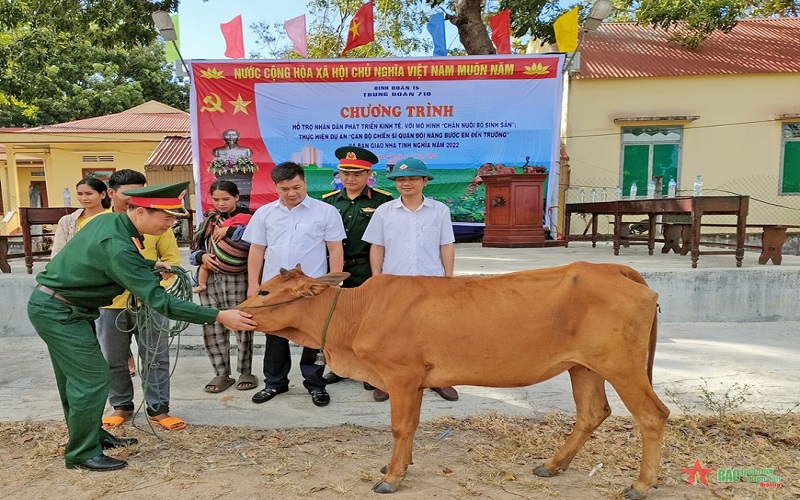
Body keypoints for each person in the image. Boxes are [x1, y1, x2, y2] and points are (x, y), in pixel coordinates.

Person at [28, 181, 255, 472]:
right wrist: (219, 316)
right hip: (59, 311)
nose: (171, 224)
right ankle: (81, 454)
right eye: (166, 217)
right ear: (140, 212)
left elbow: (109, 259)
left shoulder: (112, 222)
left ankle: (90, 436)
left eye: (174, 218)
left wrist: (149, 264)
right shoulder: (118, 245)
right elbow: (162, 302)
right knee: (91, 380)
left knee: (75, 380)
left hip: (65, 307)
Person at [243, 161, 345, 407]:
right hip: (276, 291)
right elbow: (257, 250)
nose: (291, 193)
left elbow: (335, 248)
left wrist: (335, 282)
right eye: (284, 188)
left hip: (312, 289)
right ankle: (275, 383)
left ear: (305, 183)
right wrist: (252, 285)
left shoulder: (325, 211)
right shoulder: (265, 213)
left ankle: (315, 384)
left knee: (314, 338)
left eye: (296, 187)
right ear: (276, 187)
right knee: (275, 336)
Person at [94, 169, 187, 433]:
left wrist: (161, 281)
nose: (135, 198)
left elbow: (170, 261)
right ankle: (121, 405)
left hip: (150, 302)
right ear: (111, 194)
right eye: (129, 193)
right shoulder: (99, 224)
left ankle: (159, 409)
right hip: (111, 304)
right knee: (113, 358)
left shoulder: (158, 220)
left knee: (157, 357)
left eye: (141, 192)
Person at [362, 157, 459, 401]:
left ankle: (440, 379)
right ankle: (386, 381)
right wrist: (378, 279)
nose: (407, 183)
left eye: (413, 178)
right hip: (395, 283)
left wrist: (448, 278)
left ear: (425, 181)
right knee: (392, 334)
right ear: (395, 183)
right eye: (401, 179)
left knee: (434, 332)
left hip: (431, 283)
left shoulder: (440, 211)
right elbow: (377, 247)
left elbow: (446, 245)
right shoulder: (384, 211)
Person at [321, 146, 393, 400]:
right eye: (345, 173)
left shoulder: (383, 201)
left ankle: (370, 370)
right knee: (339, 320)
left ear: (368, 174)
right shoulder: (328, 201)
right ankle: (340, 367)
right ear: (339, 174)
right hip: (336, 268)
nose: (350, 178)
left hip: (366, 267)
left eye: (357, 174)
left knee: (369, 322)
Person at [190, 180, 257, 393]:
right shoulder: (208, 222)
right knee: (212, 325)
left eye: (226, 199)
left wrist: (231, 232)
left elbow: (256, 245)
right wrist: (202, 257)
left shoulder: (250, 220)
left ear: (237, 197)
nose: (221, 203)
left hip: (240, 278)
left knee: (243, 325)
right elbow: (195, 249)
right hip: (211, 280)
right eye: (216, 199)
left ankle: (245, 371)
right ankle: (221, 374)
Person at [51, 177, 111, 257]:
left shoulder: (112, 218)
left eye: (89, 194)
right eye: (80, 194)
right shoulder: (67, 221)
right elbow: (58, 251)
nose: (84, 198)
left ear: (103, 194)